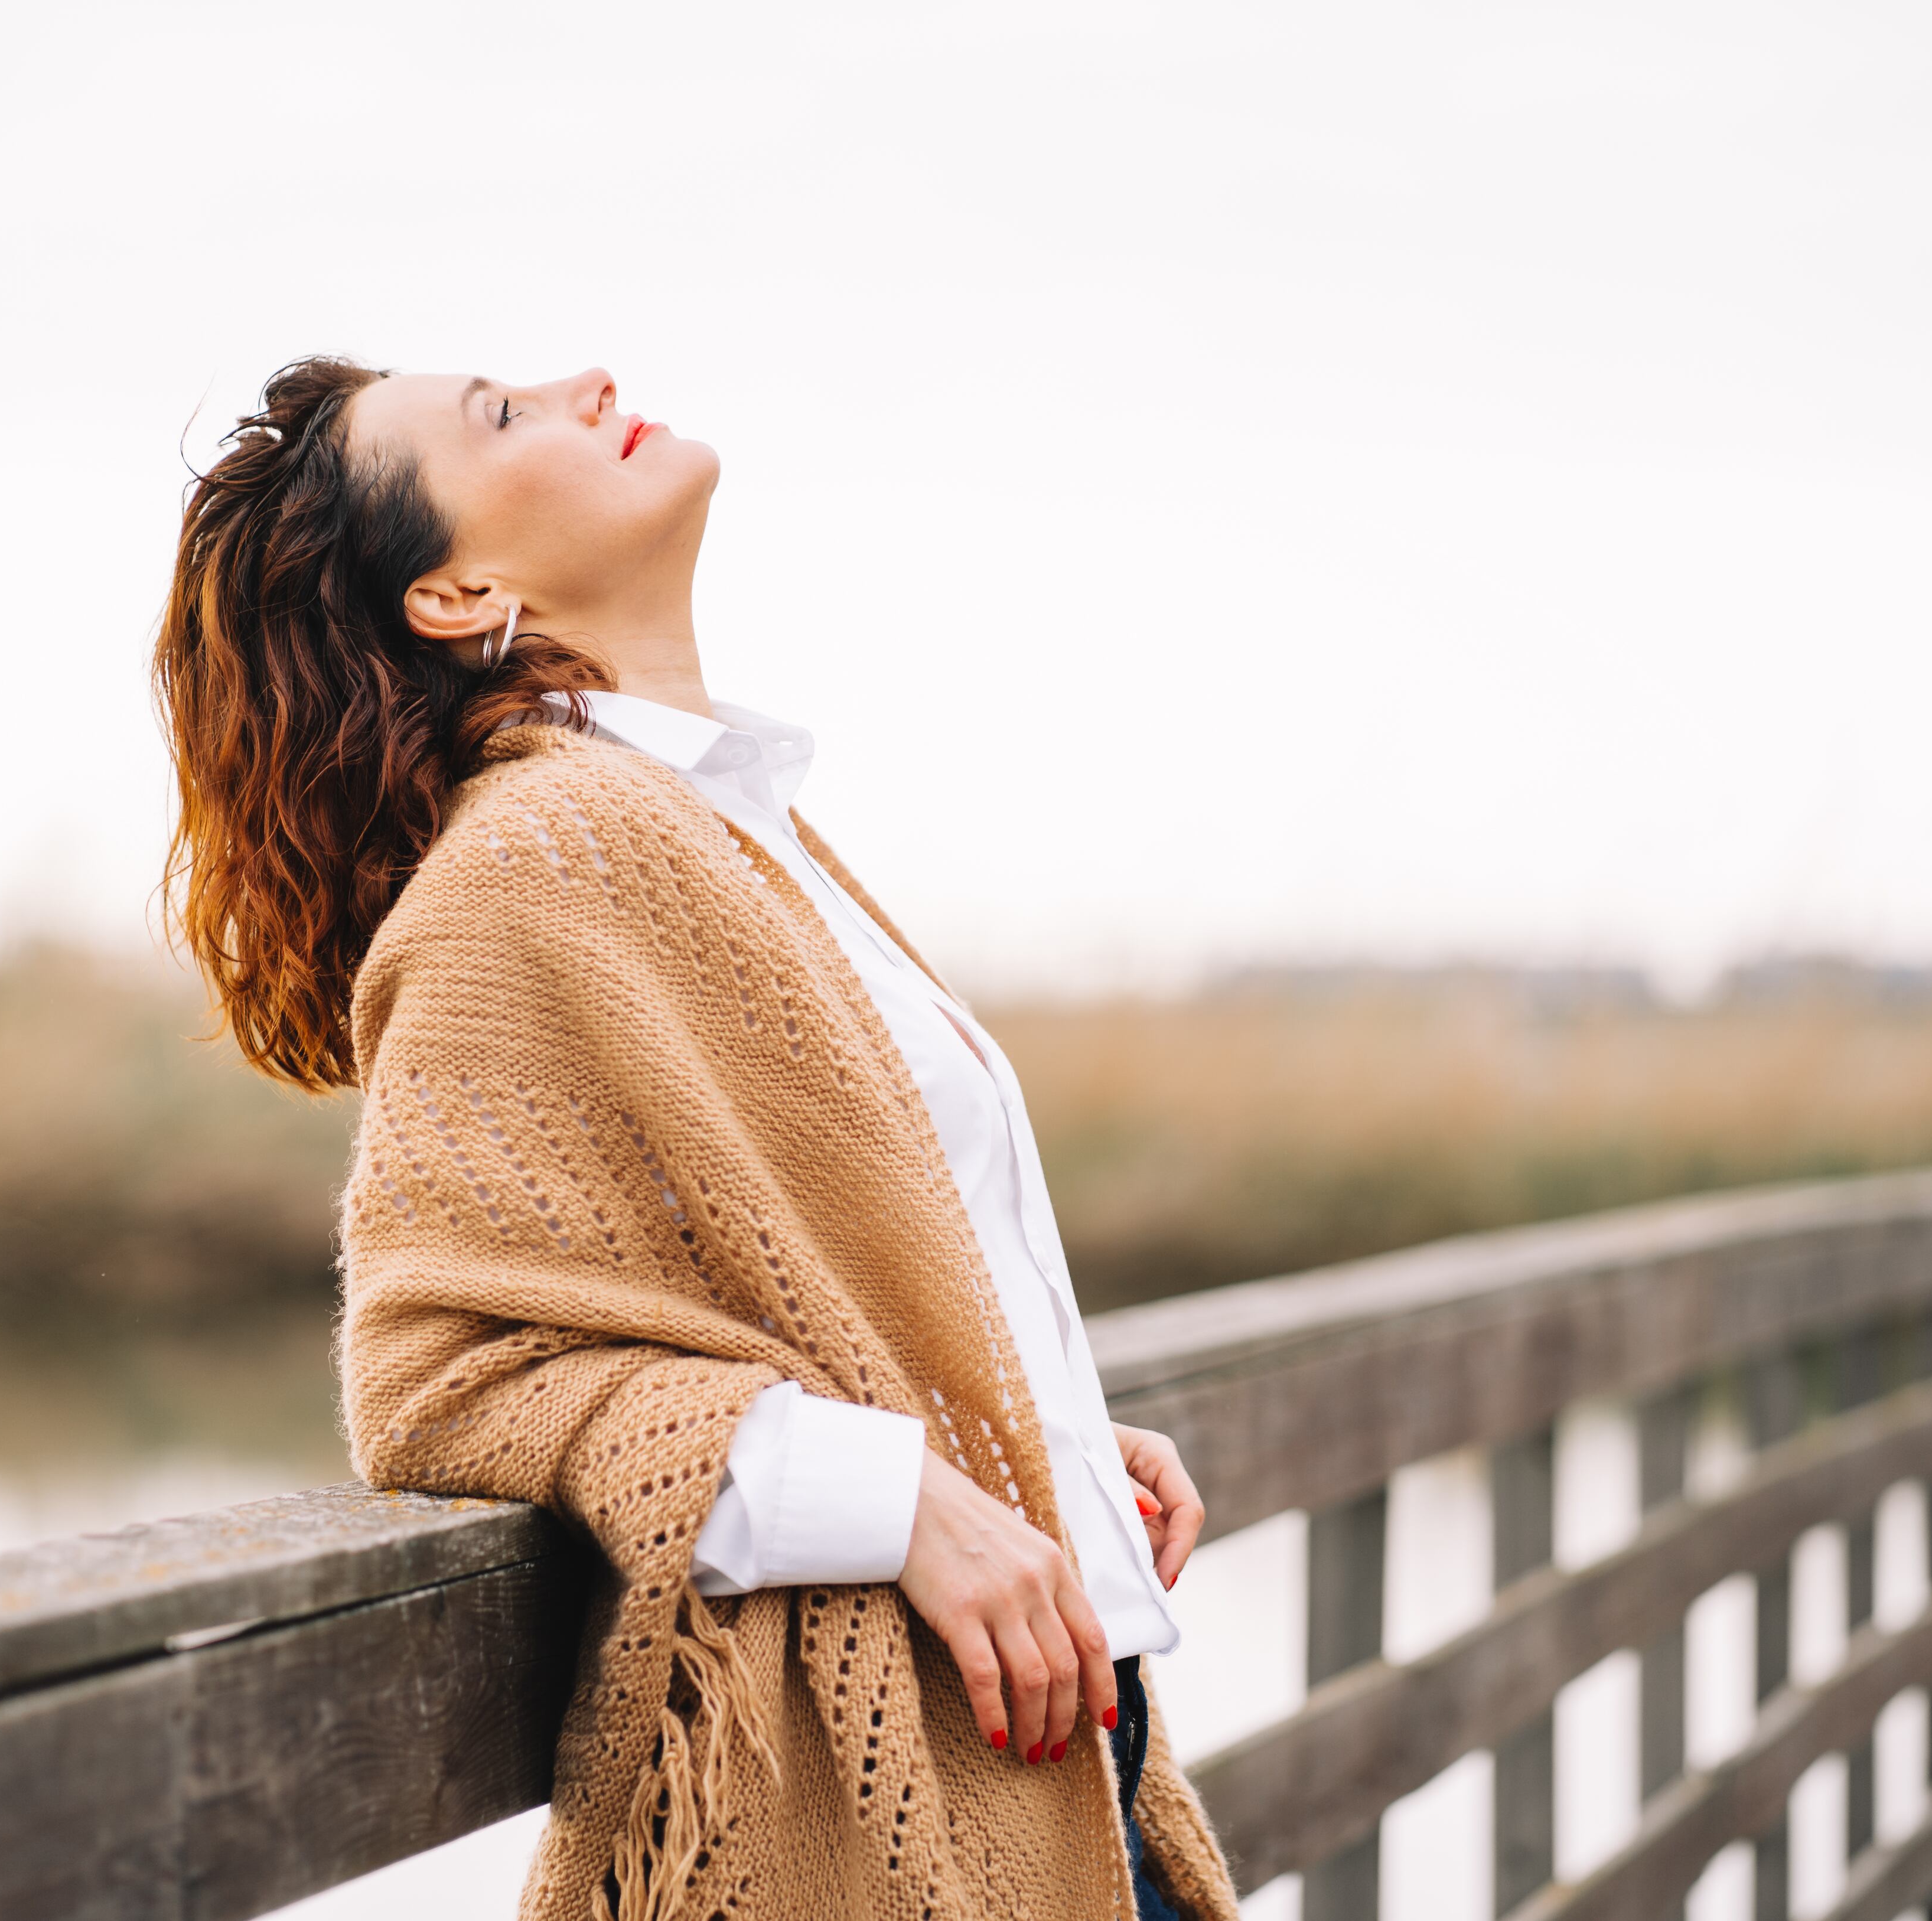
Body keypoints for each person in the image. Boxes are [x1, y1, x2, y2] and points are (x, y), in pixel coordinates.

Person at [154, 357, 1238, 1921]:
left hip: (1068, 1767)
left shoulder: (721, 826)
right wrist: (904, 1498)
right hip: (898, 1827)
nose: (581, 379)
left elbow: (799, 1261)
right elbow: (440, 1383)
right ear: (458, 592)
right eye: (502, 416)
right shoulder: (524, 868)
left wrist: (1033, 1434)